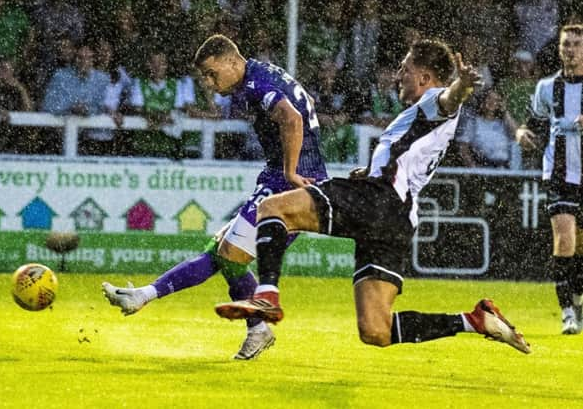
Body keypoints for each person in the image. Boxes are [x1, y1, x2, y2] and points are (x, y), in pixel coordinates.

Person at [215, 39, 531, 355]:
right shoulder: (417, 118)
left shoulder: (435, 100)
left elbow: (450, 99)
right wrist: (368, 170)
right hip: (397, 219)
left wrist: (462, 85)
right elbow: (407, 157)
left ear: (424, 78)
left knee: (272, 207)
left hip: (379, 200)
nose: (398, 75)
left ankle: (267, 295)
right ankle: (474, 320)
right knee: (376, 329)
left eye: (405, 69)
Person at [102, 34, 328, 359]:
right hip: (285, 178)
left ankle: (147, 297)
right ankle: (251, 327)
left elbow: (291, 118)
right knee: (223, 250)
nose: (209, 83)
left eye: (211, 73)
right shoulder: (263, 74)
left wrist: (292, 171)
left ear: (232, 61)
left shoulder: (254, 84)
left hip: (291, 184)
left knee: (229, 253)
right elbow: (306, 107)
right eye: (204, 77)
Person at [516, 24, 583, 334]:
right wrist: (521, 133)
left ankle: (578, 299)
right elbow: (533, 123)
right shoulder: (546, 87)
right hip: (558, 173)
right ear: (559, 48)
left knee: (579, 246)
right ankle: (567, 310)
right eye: (565, 44)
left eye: (575, 45)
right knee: (565, 238)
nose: (570, 49)